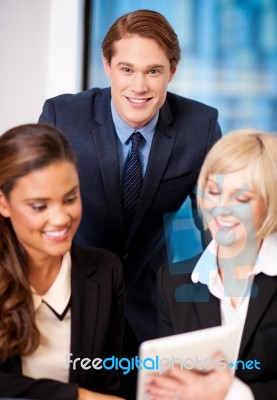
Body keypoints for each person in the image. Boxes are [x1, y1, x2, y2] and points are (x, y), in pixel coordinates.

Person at [39, 9, 221, 397]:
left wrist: (229, 310)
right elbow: (31, 208)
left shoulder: (200, 125)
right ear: (106, 66)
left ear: (172, 70)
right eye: (127, 69)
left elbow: (218, 222)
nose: (139, 86)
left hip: (153, 304)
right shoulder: (63, 117)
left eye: (153, 71)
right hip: (72, 301)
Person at [146, 129, 277, 399]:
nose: (221, 208)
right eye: (214, 191)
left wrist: (232, 393)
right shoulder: (173, 283)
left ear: (271, 202)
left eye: (241, 198)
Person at [0, 124, 125, 400]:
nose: (60, 219)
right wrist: (76, 396)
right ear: (4, 203)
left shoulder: (106, 272)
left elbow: (108, 386)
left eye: (70, 199)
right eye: (39, 206)